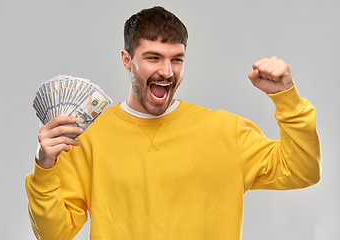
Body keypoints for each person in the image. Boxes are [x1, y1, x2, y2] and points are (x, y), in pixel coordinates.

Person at [25, 6, 321, 240]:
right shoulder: (88, 137)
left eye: (176, 59)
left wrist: (287, 98)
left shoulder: (226, 131)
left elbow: (302, 171)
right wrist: (44, 168)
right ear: (127, 60)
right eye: (153, 57)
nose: (167, 71)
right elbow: (54, 234)